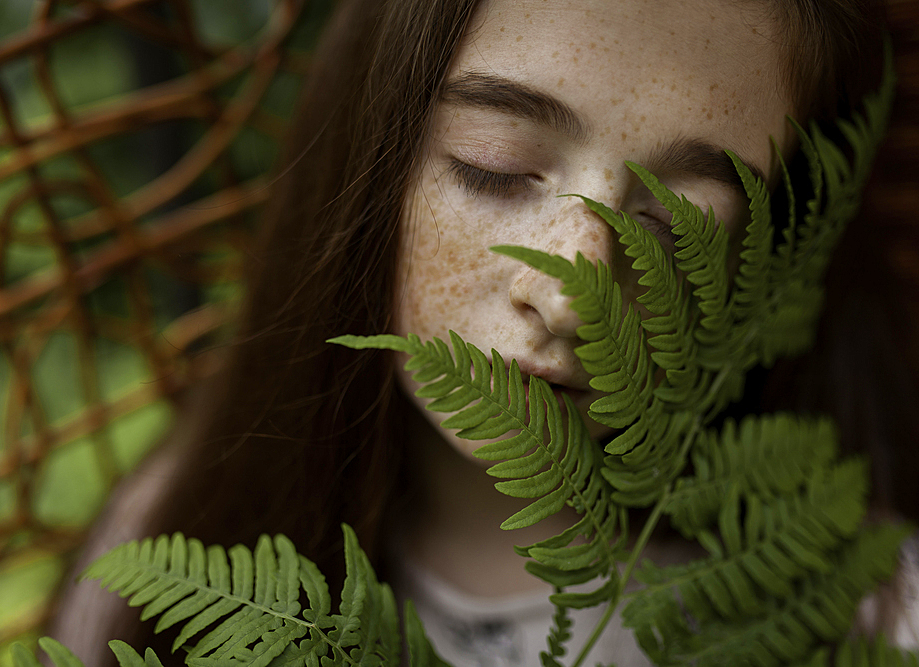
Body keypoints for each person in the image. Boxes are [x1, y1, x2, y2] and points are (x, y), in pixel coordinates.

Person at [49, 0, 919, 664]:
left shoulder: (870, 605)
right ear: (372, 155)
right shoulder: (169, 539)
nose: (570, 292)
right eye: (493, 165)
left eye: (674, 226)